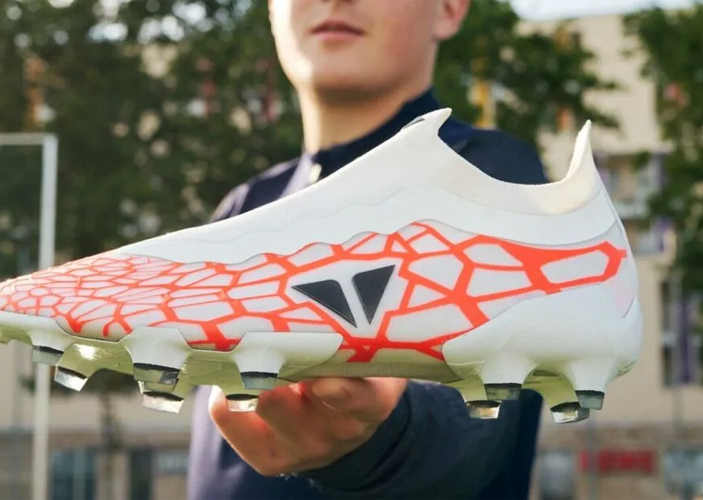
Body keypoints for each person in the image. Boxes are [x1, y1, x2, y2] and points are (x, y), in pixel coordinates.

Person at [187, 1, 547, 498]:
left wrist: (388, 435)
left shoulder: (489, 181)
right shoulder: (242, 208)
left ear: (448, 9)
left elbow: (478, 416)